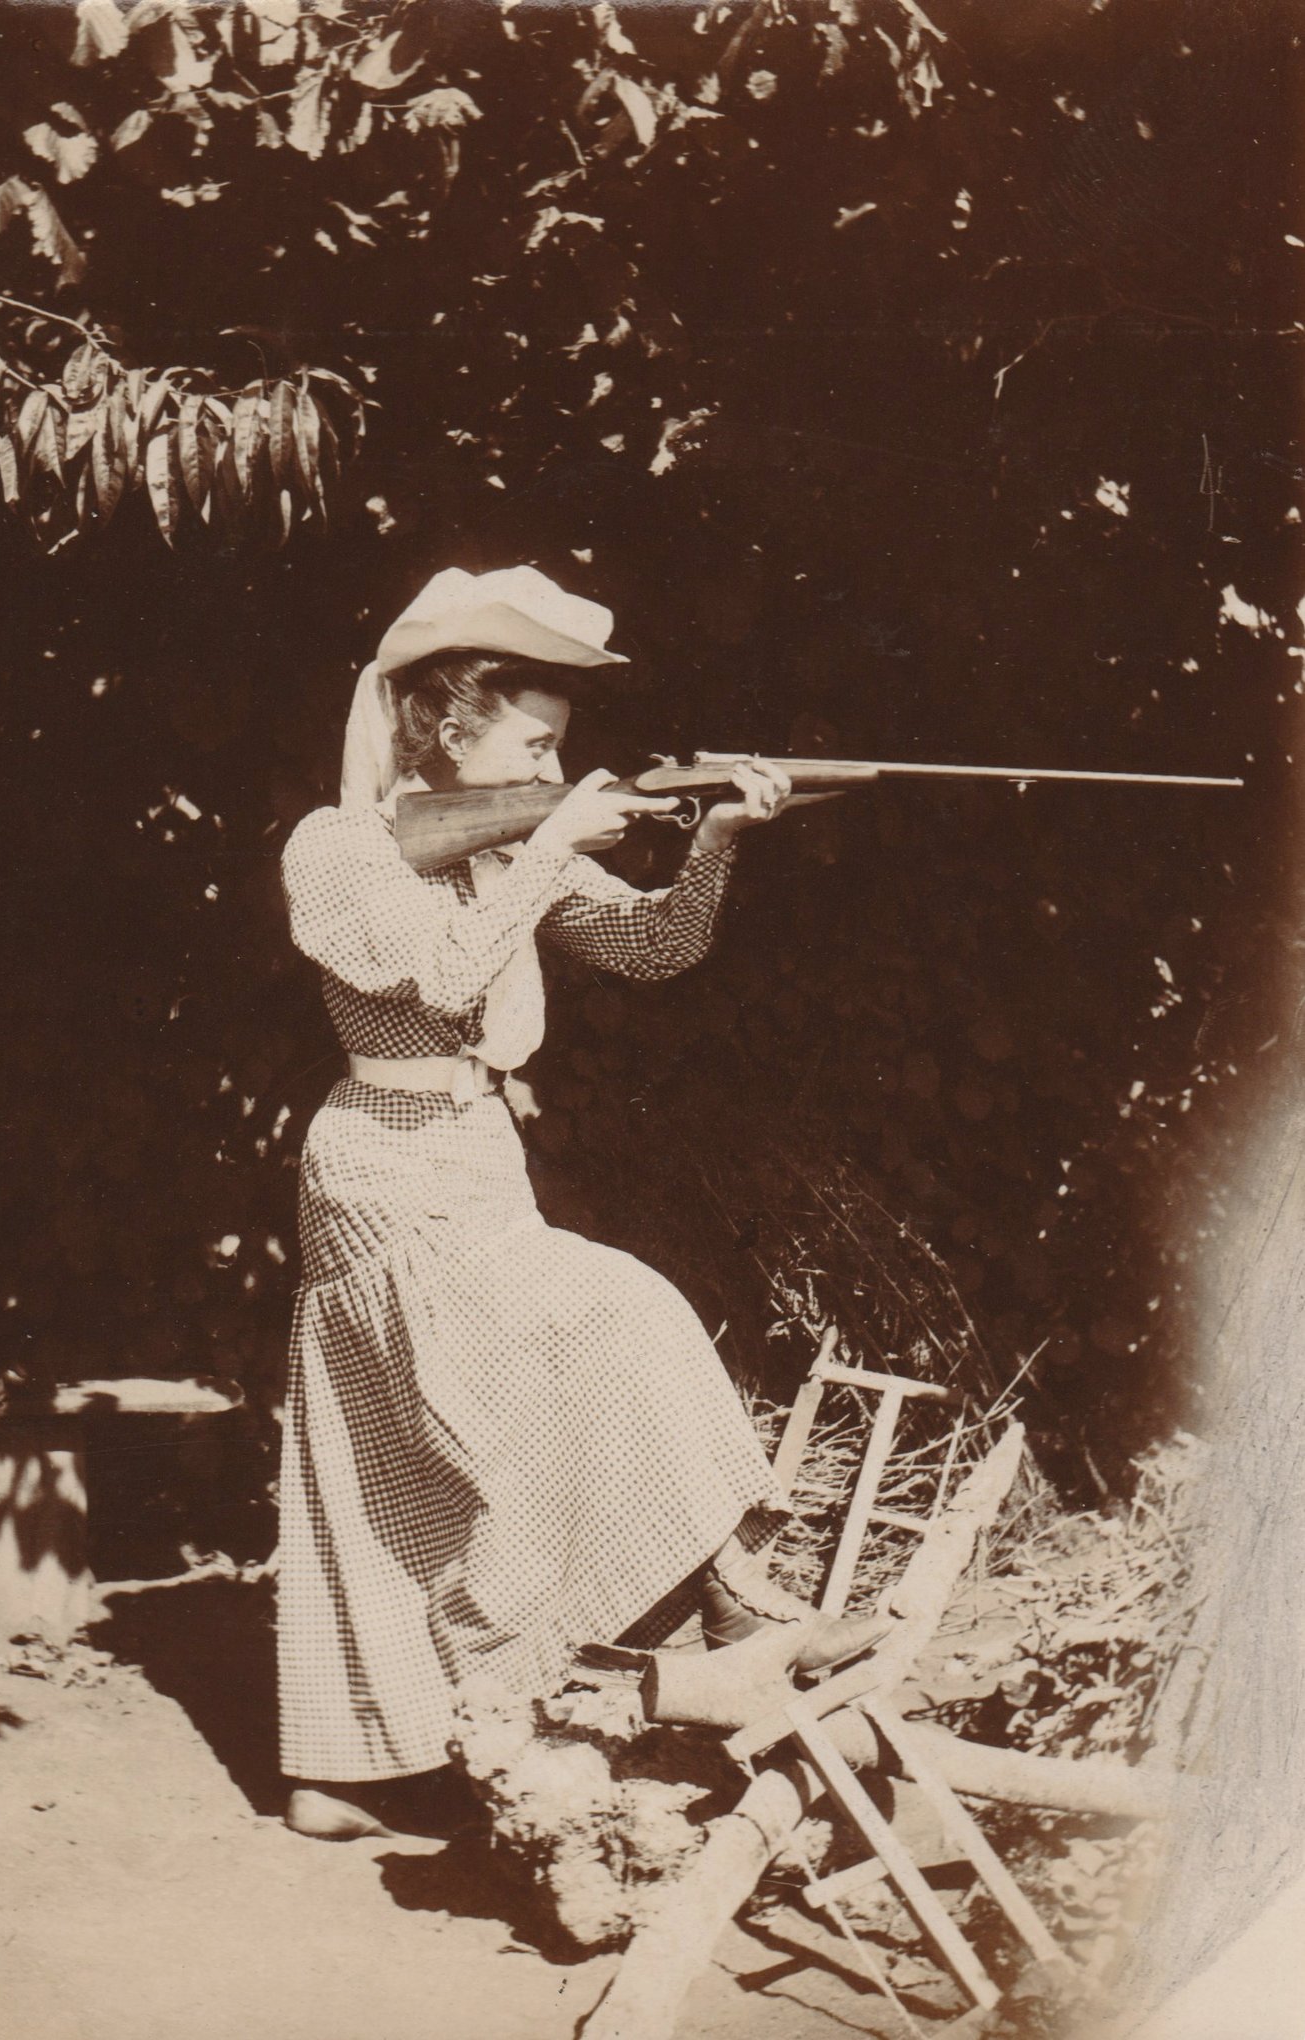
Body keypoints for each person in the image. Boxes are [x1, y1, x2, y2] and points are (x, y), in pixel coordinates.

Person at [277, 567, 880, 1839]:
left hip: (481, 1160)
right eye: (540, 741)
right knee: (595, 1336)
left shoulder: (502, 846)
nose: (563, 762)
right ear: (447, 728)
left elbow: (657, 949)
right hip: (381, 1168)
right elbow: (440, 983)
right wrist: (546, 844)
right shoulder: (337, 848)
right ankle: (729, 1614)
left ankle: (351, 1768)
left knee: (472, 1448)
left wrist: (713, 838)